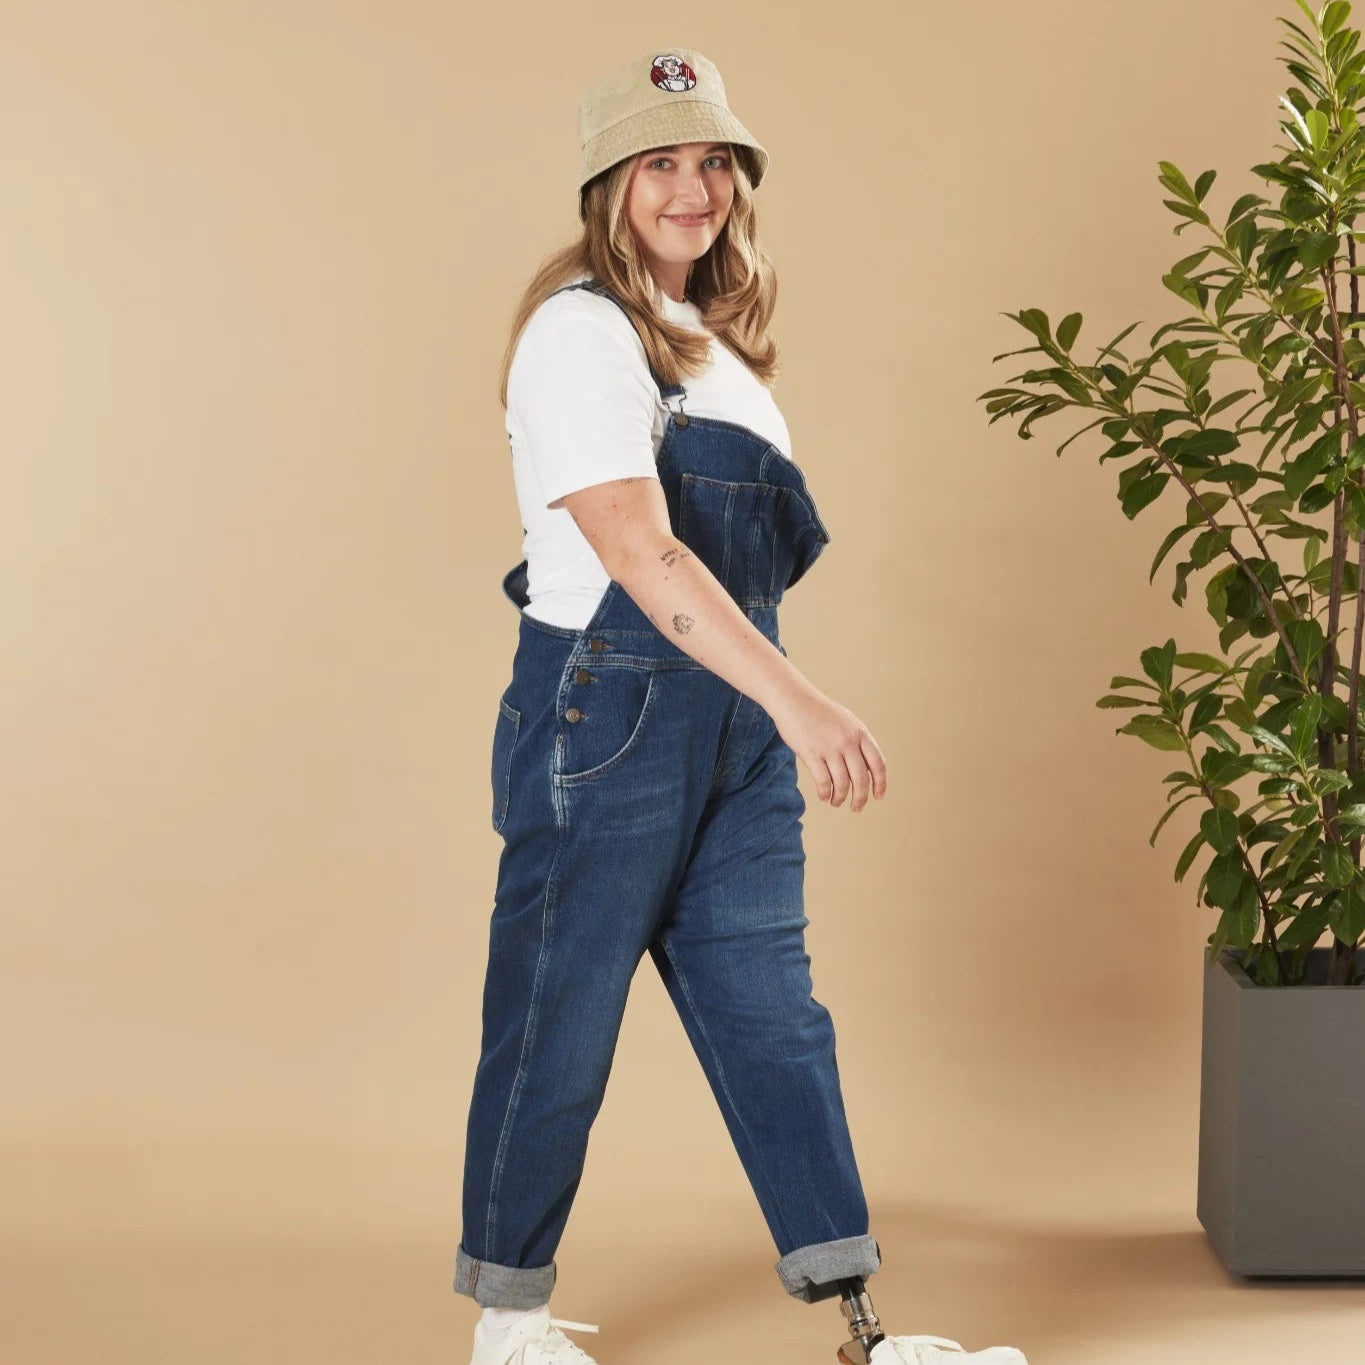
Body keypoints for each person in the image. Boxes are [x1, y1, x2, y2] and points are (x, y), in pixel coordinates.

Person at [454, 45, 1029, 1365]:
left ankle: (866, 1325)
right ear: (610, 183)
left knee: (774, 1015)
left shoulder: (710, 348)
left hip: (727, 721)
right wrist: (801, 703)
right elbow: (641, 552)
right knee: (556, 1010)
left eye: (712, 160)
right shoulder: (578, 331)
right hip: (608, 720)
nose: (691, 187)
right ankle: (509, 1320)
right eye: (660, 161)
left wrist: (765, 706)